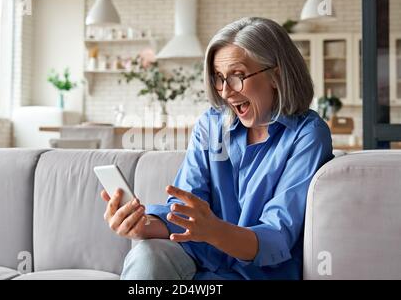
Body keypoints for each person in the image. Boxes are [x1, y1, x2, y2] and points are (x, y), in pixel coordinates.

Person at [101, 17, 333, 280]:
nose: (225, 92)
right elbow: (185, 208)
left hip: (257, 274)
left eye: (237, 76)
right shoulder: (211, 125)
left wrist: (213, 230)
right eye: (219, 78)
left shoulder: (308, 134)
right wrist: (141, 225)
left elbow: (277, 236)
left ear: (275, 75)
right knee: (146, 255)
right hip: (201, 263)